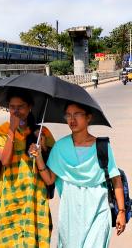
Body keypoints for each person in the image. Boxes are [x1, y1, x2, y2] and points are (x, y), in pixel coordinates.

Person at [29, 102, 126, 248]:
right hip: (70, 213)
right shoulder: (60, 147)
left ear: (88, 117)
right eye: (68, 115)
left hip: (98, 210)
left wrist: (121, 212)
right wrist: (38, 157)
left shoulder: (102, 146)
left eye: (77, 114)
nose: (72, 119)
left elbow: (116, 179)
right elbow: (49, 180)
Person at [0, 90, 55, 248]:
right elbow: (5, 161)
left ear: (30, 107)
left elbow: (53, 167)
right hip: (11, 195)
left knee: (35, 238)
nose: (16, 111)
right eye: (12, 107)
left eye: (20, 107)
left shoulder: (43, 132)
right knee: (9, 238)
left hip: (35, 193)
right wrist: (12, 131)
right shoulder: (2, 131)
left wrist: (42, 147)